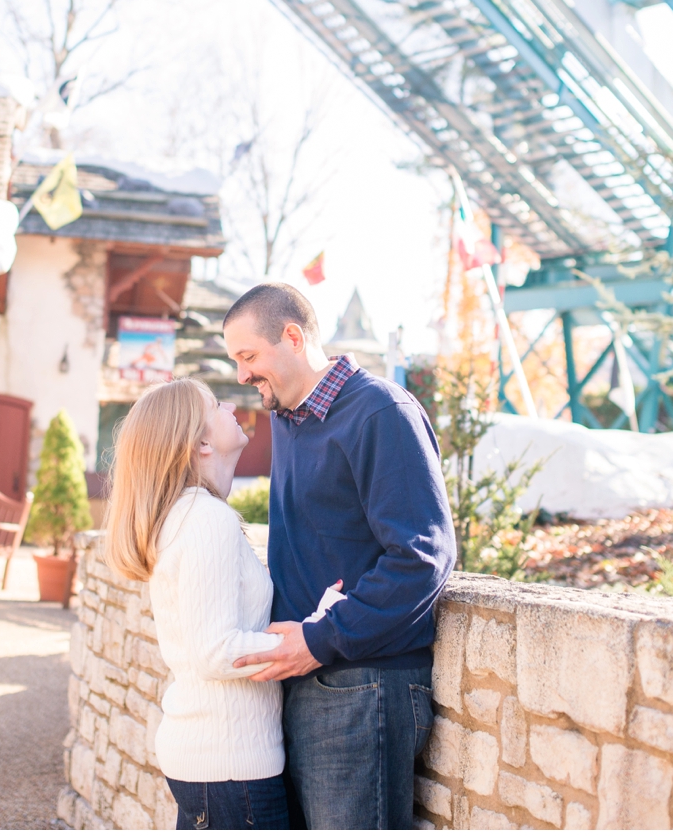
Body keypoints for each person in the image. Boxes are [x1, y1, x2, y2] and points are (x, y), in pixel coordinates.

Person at [223, 282, 456, 829]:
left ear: (293, 337)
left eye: (248, 357)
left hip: (361, 686)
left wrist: (319, 640)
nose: (241, 376)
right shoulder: (288, 417)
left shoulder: (381, 412)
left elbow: (422, 556)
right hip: (306, 678)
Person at [104, 378, 290, 830]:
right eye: (214, 404)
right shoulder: (205, 519)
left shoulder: (191, 515)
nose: (229, 404)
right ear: (201, 441)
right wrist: (305, 642)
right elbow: (216, 651)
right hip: (229, 766)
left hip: (215, 763)